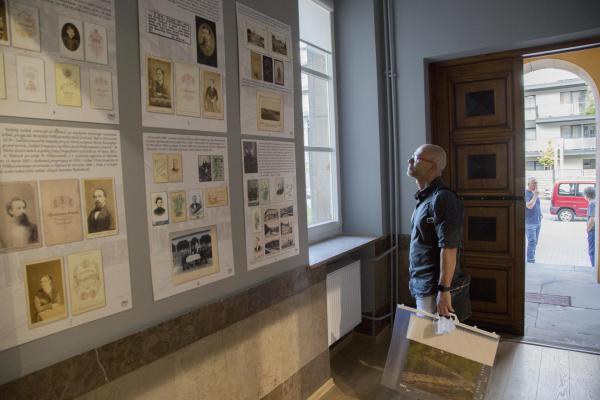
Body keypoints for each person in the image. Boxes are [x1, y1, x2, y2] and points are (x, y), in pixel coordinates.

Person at [407, 144, 470, 319]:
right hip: (423, 285)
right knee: (430, 343)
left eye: (417, 158)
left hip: (435, 289)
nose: (410, 161)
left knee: (434, 343)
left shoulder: (443, 198)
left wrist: (444, 291)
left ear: (433, 166)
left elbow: (449, 247)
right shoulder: (425, 197)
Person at [525, 177, 542, 263]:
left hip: (537, 221)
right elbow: (529, 206)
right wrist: (535, 195)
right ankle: (530, 260)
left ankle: (532, 258)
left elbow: (537, 205)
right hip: (529, 223)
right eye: (534, 183)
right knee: (532, 242)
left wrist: (540, 214)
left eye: (536, 182)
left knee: (535, 243)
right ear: (529, 184)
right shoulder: (526, 193)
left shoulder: (534, 193)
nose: (536, 184)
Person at [583, 186, 595, 267]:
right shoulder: (595, 201)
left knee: (592, 251)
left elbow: (592, 218)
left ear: (586, 195)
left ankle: (594, 269)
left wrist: (587, 229)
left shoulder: (592, 203)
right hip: (595, 231)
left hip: (593, 231)